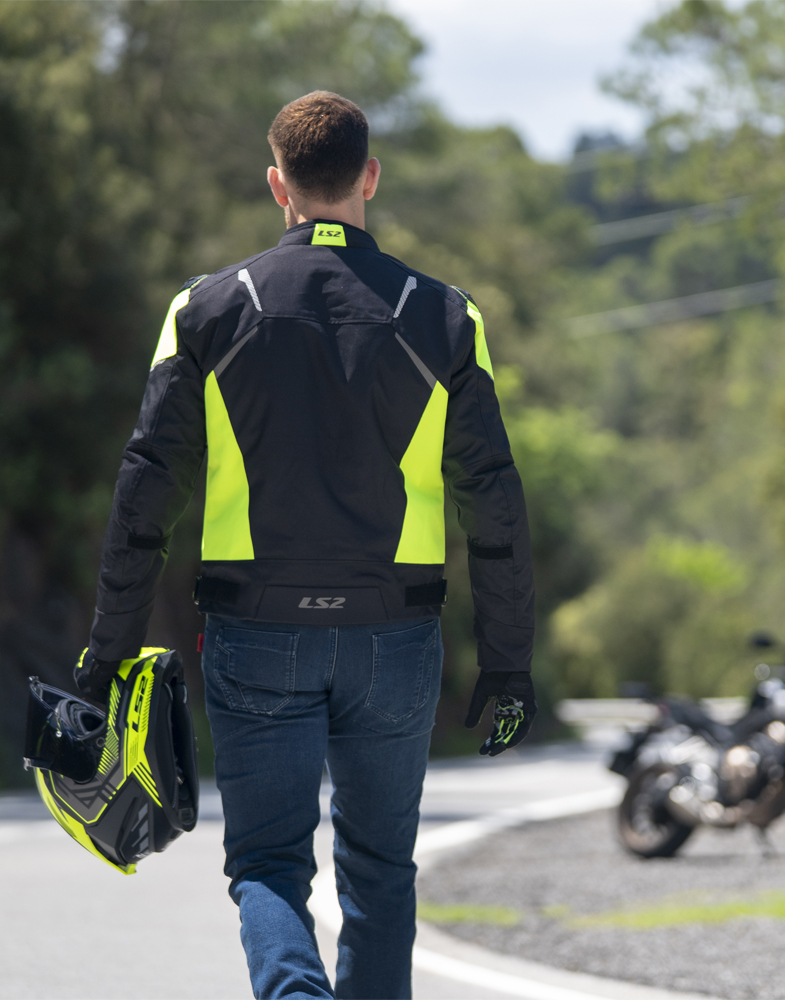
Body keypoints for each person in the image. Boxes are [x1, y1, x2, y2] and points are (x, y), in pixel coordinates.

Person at [74, 90, 536, 1000]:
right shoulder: (447, 317)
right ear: (371, 177)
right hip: (395, 637)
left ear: (277, 184)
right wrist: (509, 661)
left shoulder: (206, 310)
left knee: (267, 866)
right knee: (380, 871)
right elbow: (494, 502)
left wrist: (108, 648)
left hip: (255, 632)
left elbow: (145, 493)